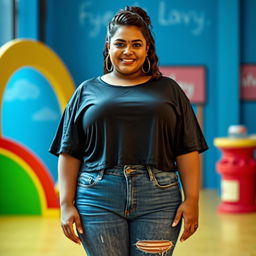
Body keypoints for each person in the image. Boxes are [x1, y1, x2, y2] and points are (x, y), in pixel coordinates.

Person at [49, 6, 208, 256]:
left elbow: (187, 148)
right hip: (96, 196)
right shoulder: (86, 91)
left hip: (160, 199)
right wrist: (65, 204)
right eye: (120, 43)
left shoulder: (169, 90)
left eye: (136, 44)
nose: (128, 51)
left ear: (147, 49)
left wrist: (193, 200)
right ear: (109, 46)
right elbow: (69, 151)